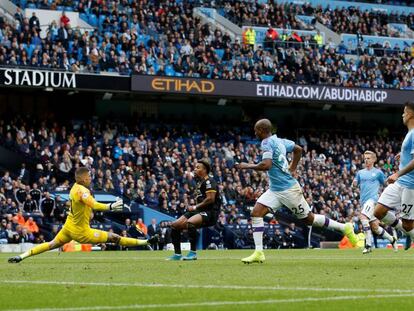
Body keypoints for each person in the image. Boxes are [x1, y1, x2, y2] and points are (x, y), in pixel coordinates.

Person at [235, 119, 358, 264]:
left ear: (262, 130)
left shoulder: (266, 143)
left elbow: (266, 165)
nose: (254, 133)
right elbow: (298, 149)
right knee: (256, 212)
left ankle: (344, 227)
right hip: (275, 190)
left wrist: (246, 166)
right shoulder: (280, 141)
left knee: (309, 220)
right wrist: (292, 167)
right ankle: (258, 252)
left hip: (289, 190)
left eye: (256, 130)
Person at [8, 167, 157, 263]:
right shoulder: (82, 191)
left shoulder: (75, 188)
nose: (91, 178)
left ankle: (21, 256)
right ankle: (145, 243)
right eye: (89, 176)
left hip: (68, 227)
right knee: (114, 238)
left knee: (51, 244)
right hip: (81, 232)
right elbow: (93, 204)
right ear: (84, 178)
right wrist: (109, 206)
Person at [373, 102, 414, 249]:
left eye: (404, 112)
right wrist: (402, 155)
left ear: (410, 114)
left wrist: (397, 173)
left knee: (408, 225)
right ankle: (404, 231)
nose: (402, 115)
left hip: (410, 186)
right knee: (378, 211)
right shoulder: (410, 134)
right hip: (400, 183)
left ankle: (408, 233)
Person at [167, 158, 221, 261]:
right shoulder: (199, 183)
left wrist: (195, 206)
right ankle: (177, 254)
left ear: (204, 170)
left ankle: (193, 253)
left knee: (191, 223)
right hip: (199, 210)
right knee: (175, 225)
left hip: (210, 212)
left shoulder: (209, 181)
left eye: (197, 167)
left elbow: (210, 199)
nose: (195, 169)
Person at [353, 151, 398, 254]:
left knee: (363, 217)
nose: (366, 160)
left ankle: (368, 245)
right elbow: (355, 183)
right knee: (375, 227)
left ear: (373, 160)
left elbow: (385, 183)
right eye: (365, 158)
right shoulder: (360, 173)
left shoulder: (378, 172)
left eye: (368, 158)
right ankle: (392, 239)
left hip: (373, 200)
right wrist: (354, 184)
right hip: (364, 202)